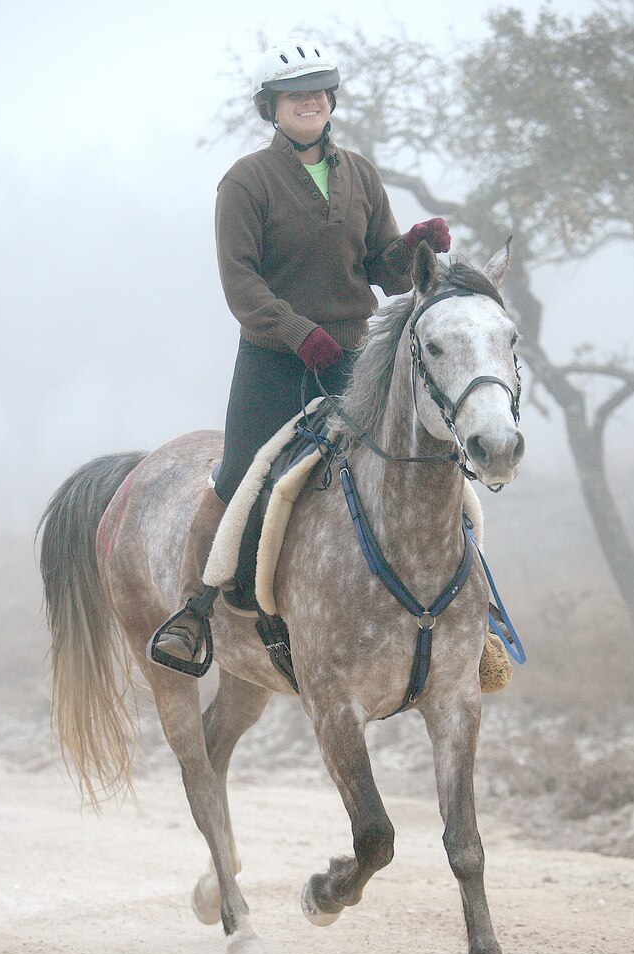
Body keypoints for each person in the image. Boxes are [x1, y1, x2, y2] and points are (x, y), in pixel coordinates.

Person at [149, 38, 451, 674]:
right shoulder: (245, 181)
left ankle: (470, 617)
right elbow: (242, 285)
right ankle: (195, 610)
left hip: (355, 356)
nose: (309, 101)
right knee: (240, 476)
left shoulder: (361, 173)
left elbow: (385, 269)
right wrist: (296, 331)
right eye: (295, 94)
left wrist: (415, 251)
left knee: (424, 462)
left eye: (318, 90)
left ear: (331, 100)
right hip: (273, 360)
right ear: (272, 107)